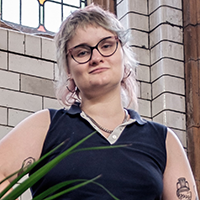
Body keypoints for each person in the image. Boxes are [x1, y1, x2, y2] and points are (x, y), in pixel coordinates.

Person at [0, 4, 199, 200]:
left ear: (124, 54)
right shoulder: (46, 125)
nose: (96, 57)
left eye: (106, 45)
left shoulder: (163, 140)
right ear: (68, 69)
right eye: (82, 52)